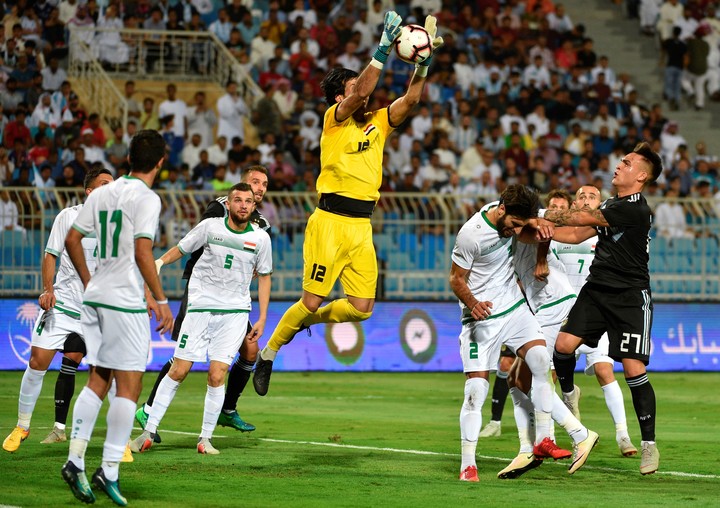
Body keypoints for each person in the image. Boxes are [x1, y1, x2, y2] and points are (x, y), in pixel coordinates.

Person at [253, 11, 443, 396]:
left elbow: (411, 99)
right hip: (330, 221)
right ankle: (270, 351)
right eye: (355, 87)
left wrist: (423, 64)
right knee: (310, 298)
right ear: (341, 96)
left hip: (361, 226)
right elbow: (360, 93)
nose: (364, 92)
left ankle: (305, 320)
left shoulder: (377, 122)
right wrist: (383, 48)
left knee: (361, 308)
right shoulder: (334, 119)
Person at [60, 130, 173, 505]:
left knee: (98, 377)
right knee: (130, 388)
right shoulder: (148, 198)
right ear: (160, 162)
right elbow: (143, 251)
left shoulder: (103, 192)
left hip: (93, 299)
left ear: (127, 158)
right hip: (124, 302)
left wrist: (92, 282)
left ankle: (76, 460)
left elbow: (73, 239)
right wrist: (159, 298)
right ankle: (108, 469)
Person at [543, 142, 663, 475]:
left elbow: (578, 215)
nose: (617, 166)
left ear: (640, 176)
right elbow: (577, 232)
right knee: (563, 347)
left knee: (632, 368)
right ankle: (569, 394)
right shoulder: (612, 203)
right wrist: (542, 231)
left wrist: (535, 213)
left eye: (626, 163)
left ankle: (648, 445)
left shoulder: (635, 208)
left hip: (629, 297)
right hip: (596, 291)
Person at [130, 183, 272, 455]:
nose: (243, 205)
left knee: (217, 374)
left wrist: (262, 318)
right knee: (179, 369)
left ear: (254, 207)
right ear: (228, 204)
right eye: (238, 200)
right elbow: (181, 249)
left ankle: (205, 439)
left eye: (249, 201)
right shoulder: (210, 227)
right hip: (200, 309)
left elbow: (264, 277)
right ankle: (148, 432)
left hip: (234, 315)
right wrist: (158, 264)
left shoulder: (261, 239)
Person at [449, 184, 571, 483]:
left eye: (521, 225)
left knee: (541, 360)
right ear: (501, 209)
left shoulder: (517, 217)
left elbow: (547, 223)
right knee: (476, 392)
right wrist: (473, 303)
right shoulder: (471, 234)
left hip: (514, 306)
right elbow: (455, 278)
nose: (517, 232)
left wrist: (541, 233)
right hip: (482, 316)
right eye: (514, 225)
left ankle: (544, 438)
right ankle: (468, 465)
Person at [2, 167, 113, 453]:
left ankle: (119, 440)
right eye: (105, 184)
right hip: (63, 304)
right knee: (37, 361)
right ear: (89, 191)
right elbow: (51, 254)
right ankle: (22, 425)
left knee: (110, 372)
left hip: (98, 311)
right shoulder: (69, 216)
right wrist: (48, 289)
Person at [551, 185, 638, 457]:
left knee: (604, 371)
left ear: (601, 204)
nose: (587, 199)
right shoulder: (560, 236)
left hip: (597, 311)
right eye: (581, 196)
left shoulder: (606, 232)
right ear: (574, 204)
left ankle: (623, 435)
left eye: (593, 196)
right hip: (563, 314)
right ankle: (557, 434)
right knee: (549, 375)